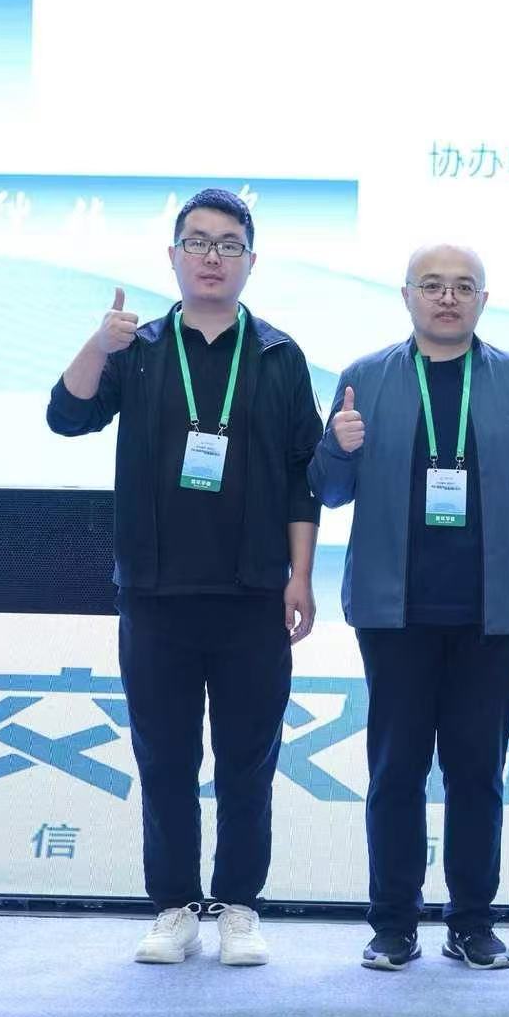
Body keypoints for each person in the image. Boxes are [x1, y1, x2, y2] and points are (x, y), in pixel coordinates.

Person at [46, 188, 320, 967]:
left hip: (253, 593)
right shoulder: (137, 348)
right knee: (164, 759)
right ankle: (173, 907)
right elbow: (66, 416)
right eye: (197, 242)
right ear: (172, 256)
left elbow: (303, 479)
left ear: (250, 262)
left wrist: (300, 577)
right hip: (155, 591)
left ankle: (239, 906)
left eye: (228, 244)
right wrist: (97, 344)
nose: (211, 256)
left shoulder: (279, 355)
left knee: (247, 763)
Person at [310, 244, 509, 972]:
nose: (447, 298)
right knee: (395, 773)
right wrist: (338, 448)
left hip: (490, 614)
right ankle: (393, 923)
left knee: (477, 775)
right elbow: (328, 491)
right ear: (406, 296)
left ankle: (473, 923)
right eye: (432, 285)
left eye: (463, 286)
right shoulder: (364, 378)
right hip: (394, 614)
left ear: (484, 299)